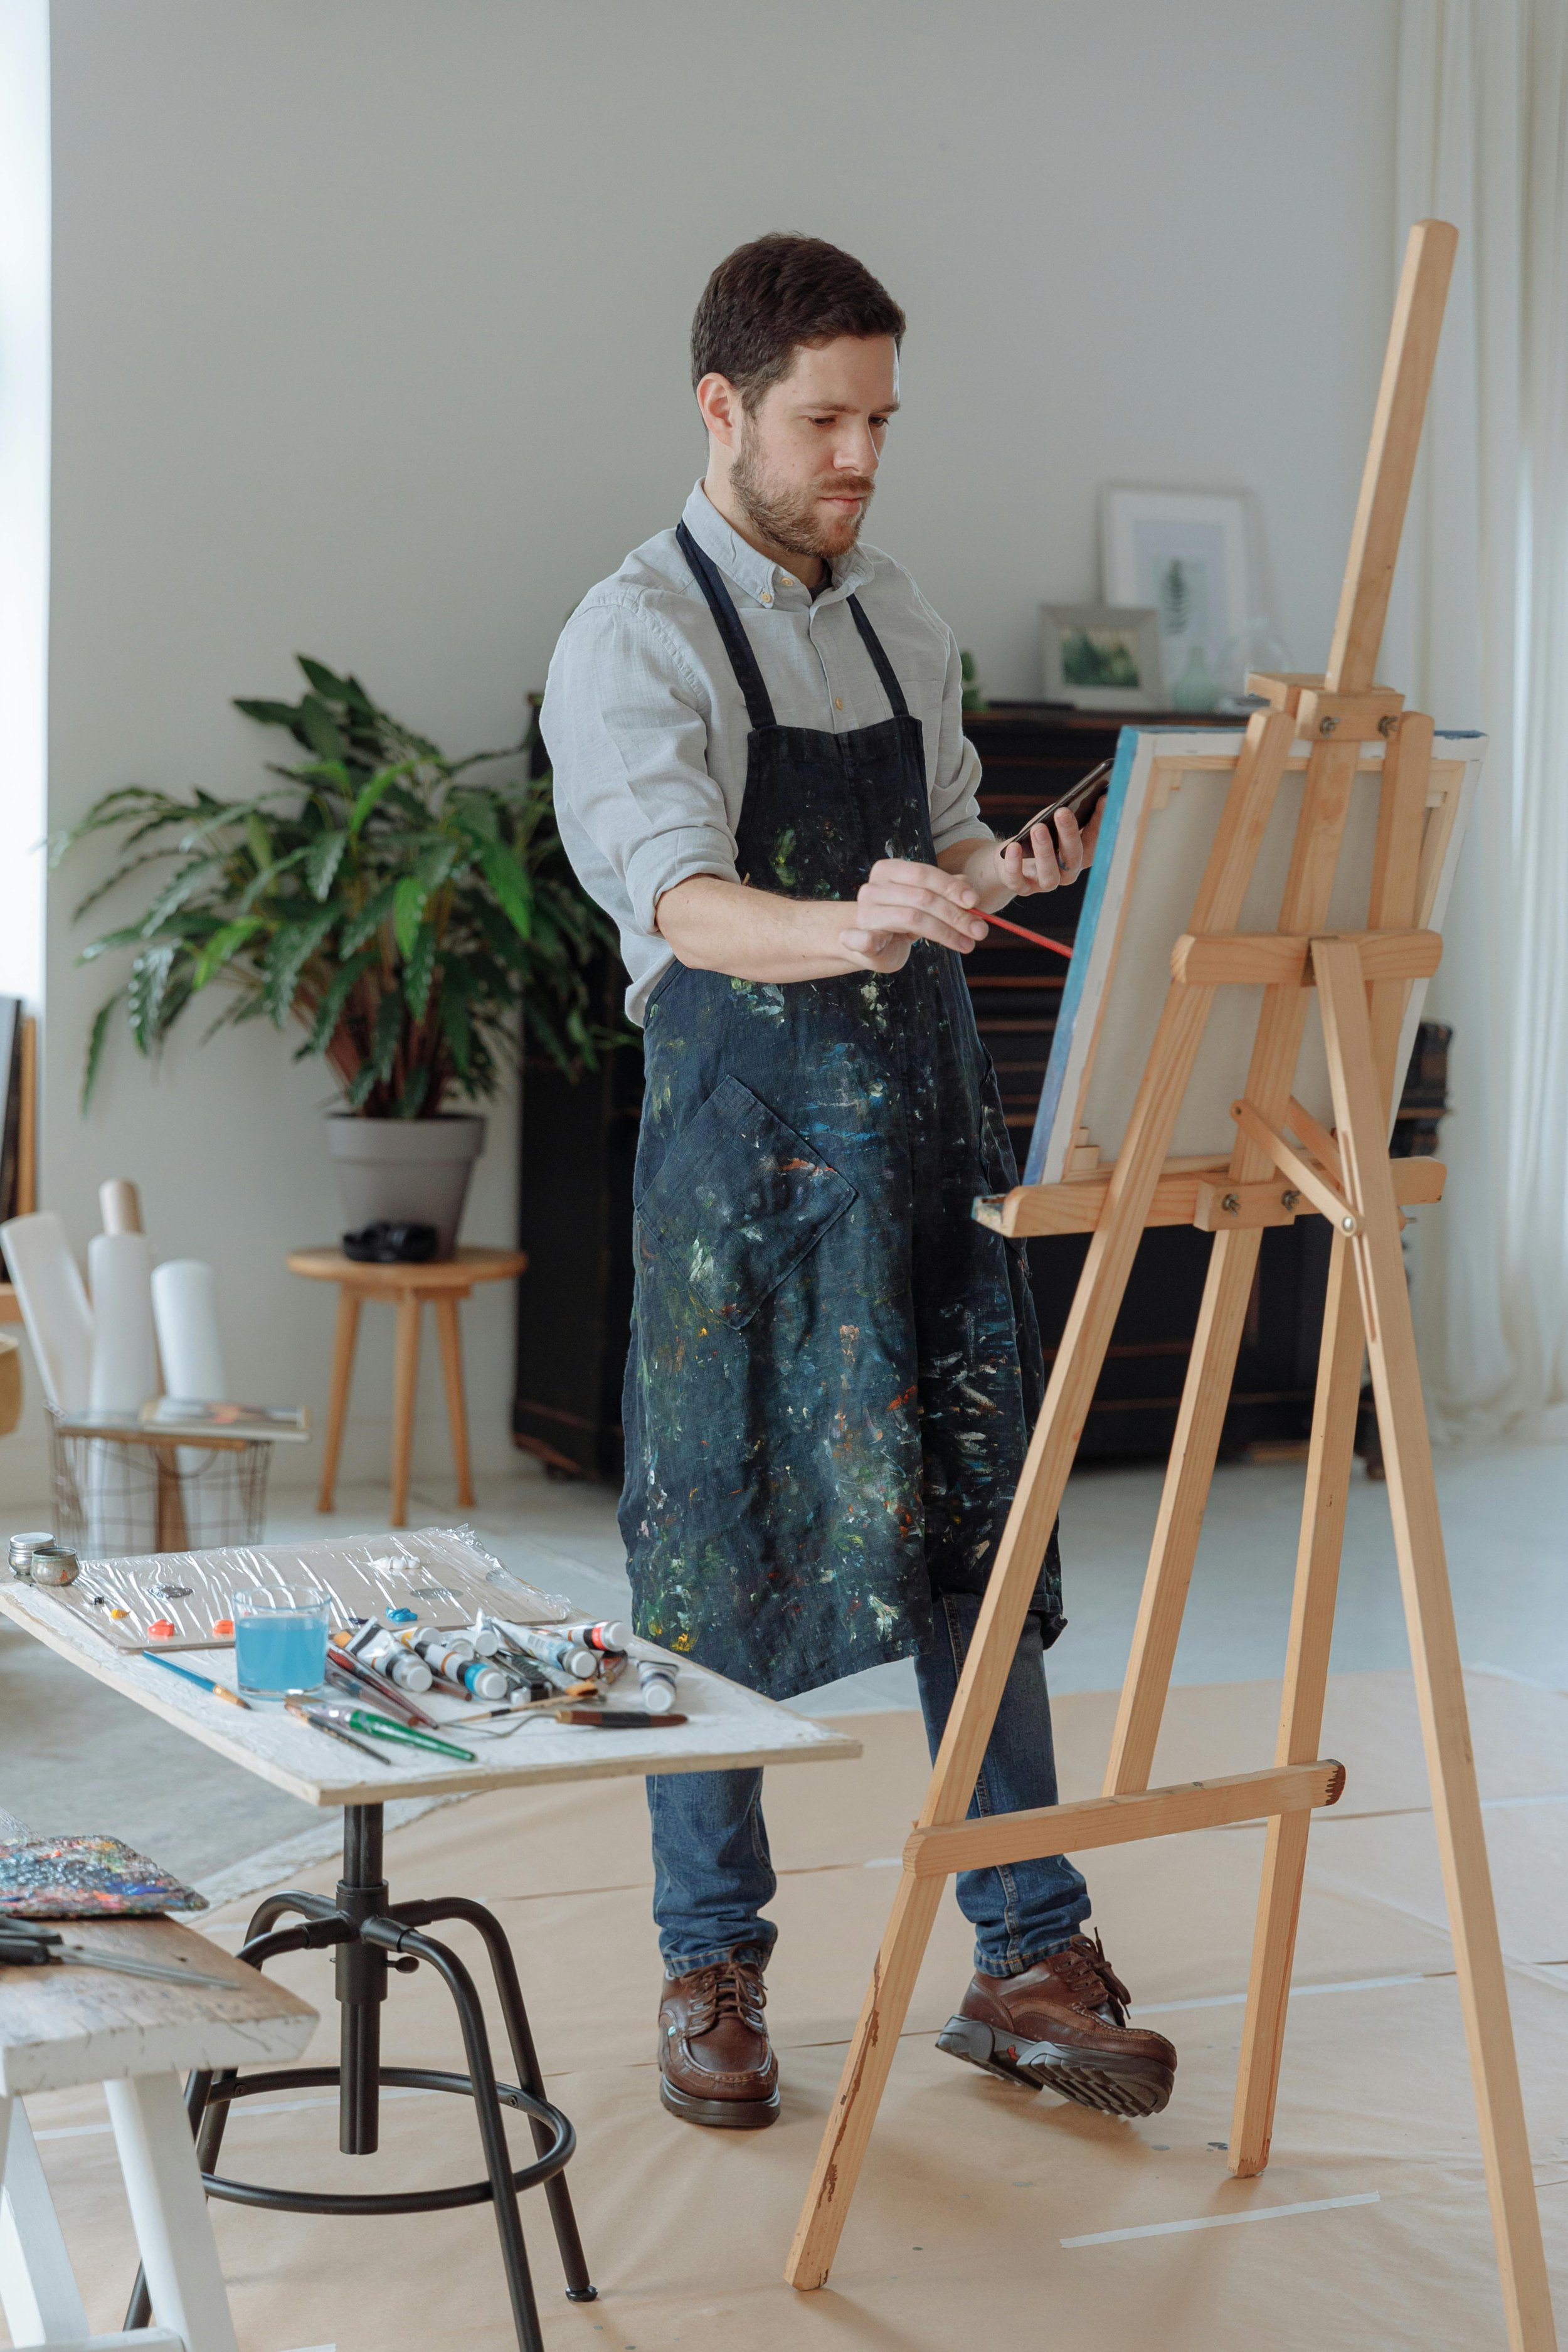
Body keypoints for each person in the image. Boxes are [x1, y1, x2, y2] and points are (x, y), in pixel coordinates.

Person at [541, 233, 1177, 2132]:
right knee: (711, 1571)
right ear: (720, 408)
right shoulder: (631, 634)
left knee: (982, 1547)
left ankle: (1025, 1944)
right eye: (824, 419)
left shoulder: (897, 605)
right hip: (744, 1177)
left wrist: (1006, 869)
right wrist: (846, 916)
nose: (860, 457)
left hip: (924, 1149)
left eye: (880, 418)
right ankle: (709, 1965)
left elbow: (951, 846)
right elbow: (678, 899)